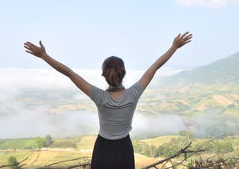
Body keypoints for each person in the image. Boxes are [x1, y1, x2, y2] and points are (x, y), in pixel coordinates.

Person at [24, 32, 192, 169]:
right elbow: (155, 67)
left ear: (104, 75)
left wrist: (44, 56)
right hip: (124, 148)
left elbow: (69, 73)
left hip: (103, 148)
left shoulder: (99, 96)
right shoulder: (134, 93)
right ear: (123, 73)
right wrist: (174, 47)